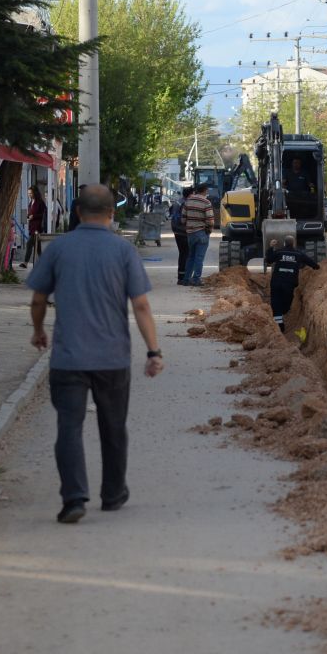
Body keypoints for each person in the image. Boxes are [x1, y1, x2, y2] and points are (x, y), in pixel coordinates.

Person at [26, 184, 165, 525]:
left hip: (68, 358)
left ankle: (74, 498)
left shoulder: (59, 248)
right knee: (113, 426)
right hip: (112, 358)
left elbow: (38, 298)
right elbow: (141, 305)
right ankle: (113, 493)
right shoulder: (123, 250)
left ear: (77, 212)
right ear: (112, 213)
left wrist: (38, 330)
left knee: (69, 427)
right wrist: (153, 351)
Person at [264, 235, 319, 331]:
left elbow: (268, 260)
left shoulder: (279, 252)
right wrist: (317, 267)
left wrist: (271, 248)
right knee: (286, 304)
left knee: (275, 303)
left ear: (284, 243)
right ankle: (280, 321)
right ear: (293, 243)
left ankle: (279, 323)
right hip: (289, 284)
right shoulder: (298, 254)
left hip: (276, 282)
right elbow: (310, 262)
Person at [180, 183, 214, 286]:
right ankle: (196, 279)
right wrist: (209, 230)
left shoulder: (188, 201)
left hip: (190, 234)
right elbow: (210, 220)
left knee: (191, 256)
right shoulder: (206, 202)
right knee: (199, 257)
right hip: (202, 232)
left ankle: (186, 279)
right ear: (205, 190)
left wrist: (189, 226)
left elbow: (183, 219)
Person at [22, 186, 48, 267]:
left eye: (31, 193)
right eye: (28, 193)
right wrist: (28, 216)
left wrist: (34, 216)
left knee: (29, 244)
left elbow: (43, 214)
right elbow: (31, 213)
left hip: (37, 227)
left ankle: (25, 263)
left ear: (35, 193)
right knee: (38, 247)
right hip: (32, 227)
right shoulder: (31, 202)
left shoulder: (40, 202)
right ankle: (44, 263)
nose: (29, 195)